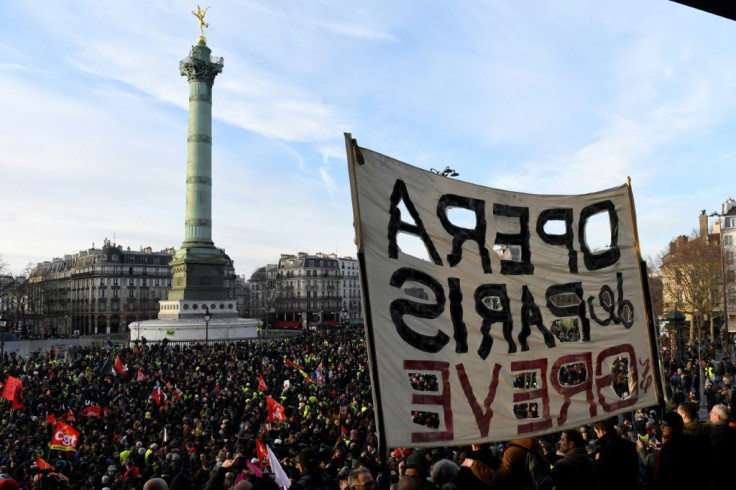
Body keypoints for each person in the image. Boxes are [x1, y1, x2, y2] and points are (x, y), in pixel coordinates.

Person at [650, 411, 700, 490]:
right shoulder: (689, 439)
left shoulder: (670, 447)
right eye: (661, 424)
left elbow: (665, 476)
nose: (661, 427)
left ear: (675, 428)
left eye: (665, 425)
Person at [591, 419, 639, 490]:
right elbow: (635, 469)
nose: (597, 436)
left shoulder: (605, 449)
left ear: (601, 430)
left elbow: (602, 475)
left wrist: (597, 461)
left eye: (596, 432)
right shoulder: (629, 444)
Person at [708, 404, 736, 490]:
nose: (709, 413)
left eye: (711, 412)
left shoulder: (712, 434)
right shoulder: (732, 430)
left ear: (718, 417)